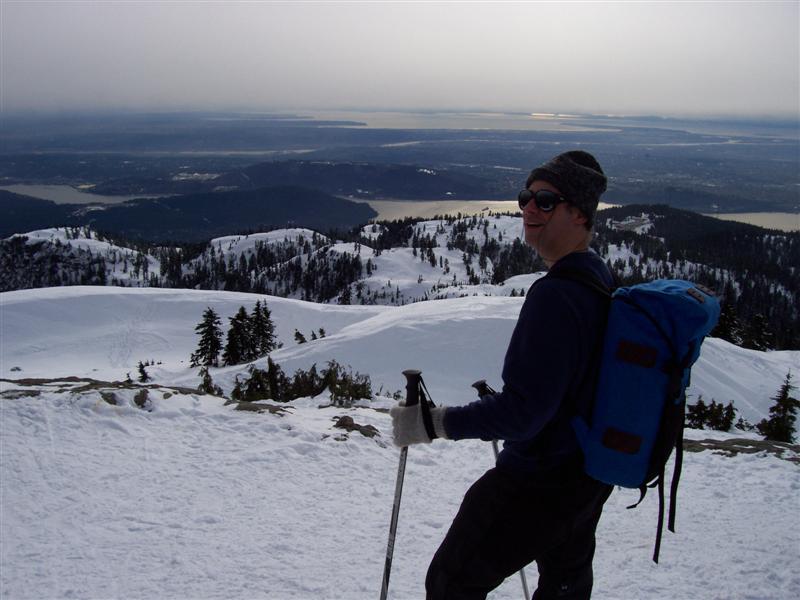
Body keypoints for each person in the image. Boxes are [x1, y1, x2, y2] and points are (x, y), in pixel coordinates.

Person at [391, 150, 614, 600]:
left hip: (538, 478)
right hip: (585, 475)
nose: (530, 208)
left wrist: (434, 423)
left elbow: (523, 414)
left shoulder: (557, 297)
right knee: (564, 586)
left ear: (579, 214)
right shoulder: (599, 281)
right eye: (526, 197)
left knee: (451, 583)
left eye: (546, 199)